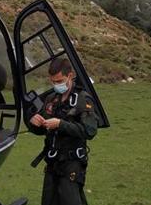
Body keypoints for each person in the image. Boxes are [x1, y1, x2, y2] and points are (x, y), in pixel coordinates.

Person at [28, 57, 98, 205]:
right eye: (53, 81)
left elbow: (89, 131)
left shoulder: (83, 99)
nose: (56, 85)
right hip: (53, 161)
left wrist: (61, 124)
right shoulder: (51, 99)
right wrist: (35, 123)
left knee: (70, 199)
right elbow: (43, 130)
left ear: (70, 76)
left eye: (59, 81)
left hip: (72, 162)